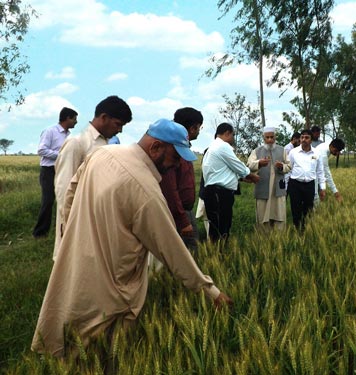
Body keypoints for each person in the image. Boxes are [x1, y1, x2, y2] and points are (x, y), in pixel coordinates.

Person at [31, 119, 233, 358]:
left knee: (70, 320)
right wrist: (211, 291)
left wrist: (74, 230)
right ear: (156, 148)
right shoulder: (145, 190)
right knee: (105, 347)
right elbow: (172, 250)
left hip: (77, 261)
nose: (176, 165)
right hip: (114, 282)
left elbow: (71, 192)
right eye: (175, 158)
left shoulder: (103, 154)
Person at [52, 95, 132, 260]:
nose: (120, 130)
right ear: (104, 118)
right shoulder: (77, 142)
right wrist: (70, 224)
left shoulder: (105, 144)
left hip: (98, 216)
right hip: (78, 218)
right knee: (71, 265)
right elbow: (63, 189)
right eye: (118, 124)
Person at [202, 123, 259, 242]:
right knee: (222, 228)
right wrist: (251, 175)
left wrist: (242, 178)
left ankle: (216, 255)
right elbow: (237, 165)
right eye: (233, 135)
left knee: (216, 228)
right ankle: (219, 255)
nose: (233, 138)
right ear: (227, 133)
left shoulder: (213, 146)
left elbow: (223, 171)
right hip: (219, 194)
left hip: (213, 192)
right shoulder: (223, 146)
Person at [160, 107, 203, 251]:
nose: (199, 131)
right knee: (186, 251)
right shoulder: (174, 151)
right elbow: (170, 188)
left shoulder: (183, 148)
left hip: (184, 210)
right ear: (192, 128)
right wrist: (182, 220)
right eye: (199, 128)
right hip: (178, 211)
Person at [32, 107, 78, 238]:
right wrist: (61, 155)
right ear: (67, 118)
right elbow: (41, 150)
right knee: (48, 201)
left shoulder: (70, 136)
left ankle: (63, 230)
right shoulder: (50, 131)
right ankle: (40, 232)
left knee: (66, 199)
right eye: (74, 119)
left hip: (64, 169)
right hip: (49, 171)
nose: (76, 122)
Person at [247, 127, 290, 230]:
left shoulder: (282, 150)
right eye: (267, 137)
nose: (270, 140)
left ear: (275, 137)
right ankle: (264, 240)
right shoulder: (256, 151)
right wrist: (259, 163)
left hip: (278, 188)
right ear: (263, 138)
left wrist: (281, 166)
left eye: (272, 137)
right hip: (262, 188)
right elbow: (248, 166)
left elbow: (289, 166)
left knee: (279, 216)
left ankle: (280, 239)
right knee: (262, 217)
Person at [287, 129, 326, 230]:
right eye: (302, 137)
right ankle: (297, 230)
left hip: (309, 185)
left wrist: (322, 188)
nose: (304, 139)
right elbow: (288, 169)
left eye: (307, 137)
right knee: (296, 209)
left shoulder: (317, 153)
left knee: (308, 209)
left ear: (311, 140)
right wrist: (287, 187)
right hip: (295, 184)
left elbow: (320, 171)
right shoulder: (293, 152)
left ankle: (305, 229)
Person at [314, 138, 345, 204]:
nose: (337, 154)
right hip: (311, 175)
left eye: (338, 151)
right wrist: (336, 193)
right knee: (315, 200)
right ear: (331, 146)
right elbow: (326, 174)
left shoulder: (326, 146)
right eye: (336, 151)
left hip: (315, 173)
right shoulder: (323, 154)